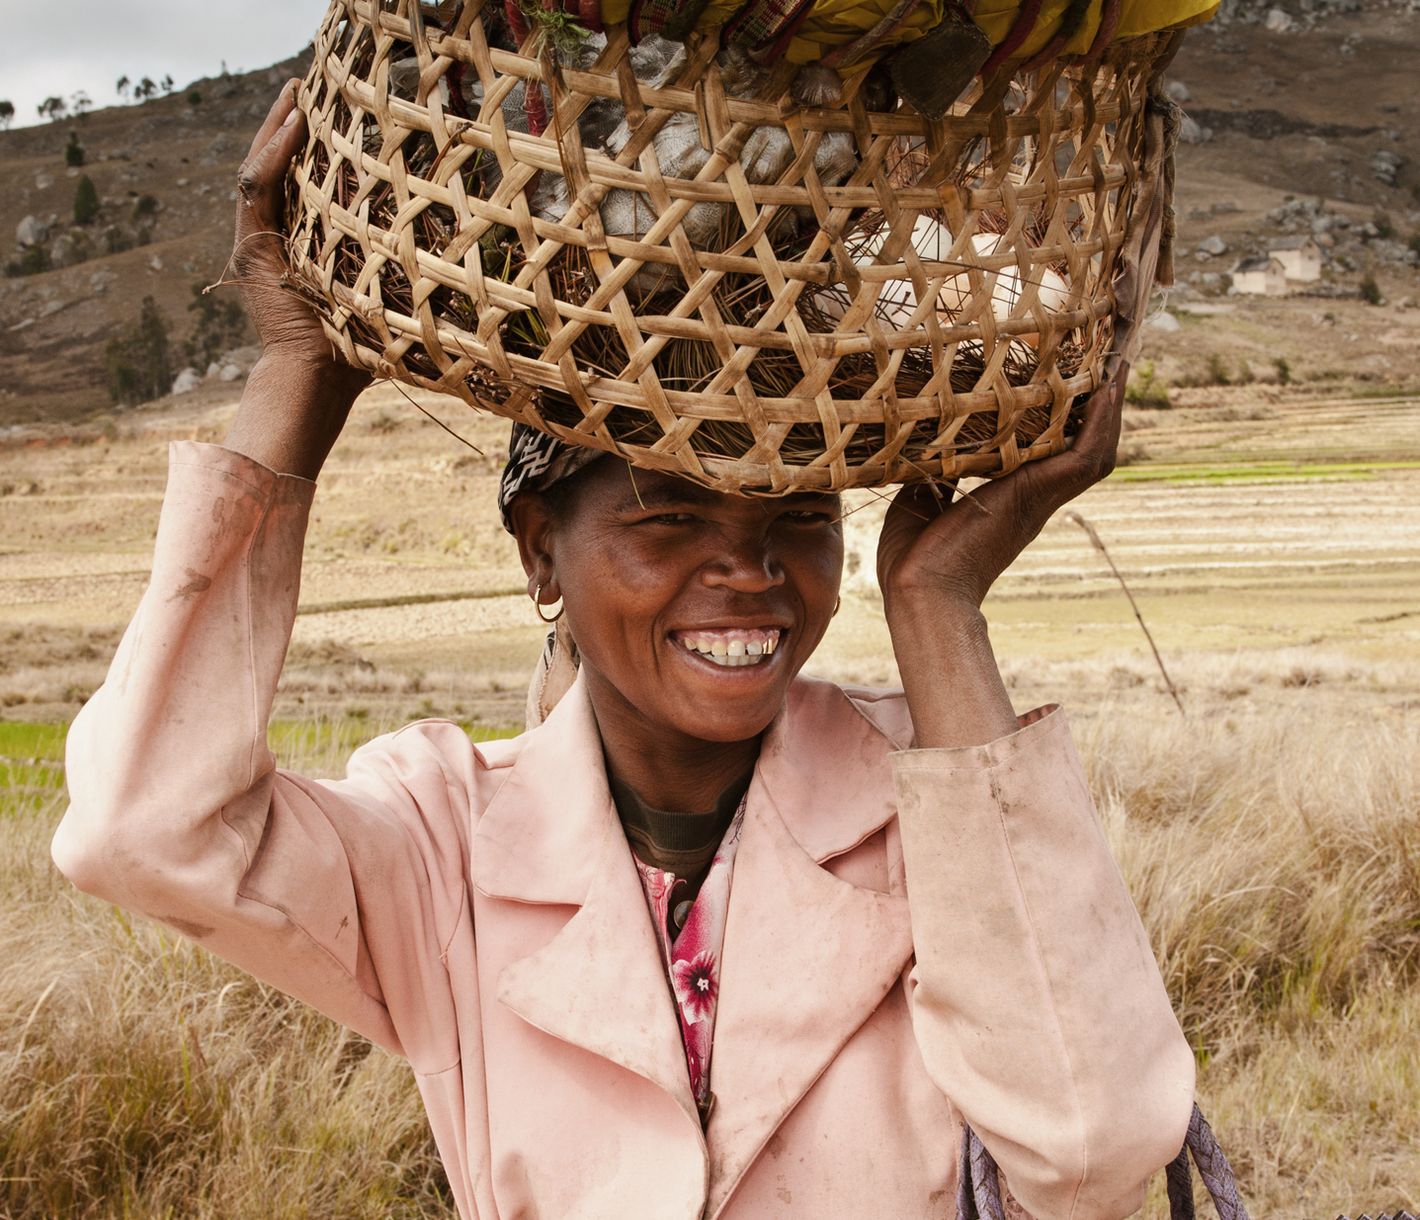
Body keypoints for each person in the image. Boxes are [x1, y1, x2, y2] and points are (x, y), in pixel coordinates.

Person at [54, 83, 1195, 1219]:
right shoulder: (445, 845)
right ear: (541, 550)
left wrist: (937, 603)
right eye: (670, 517)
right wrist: (299, 373)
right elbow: (140, 829)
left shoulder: (939, 797)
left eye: (798, 515)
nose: (746, 569)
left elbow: (1096, 1152)